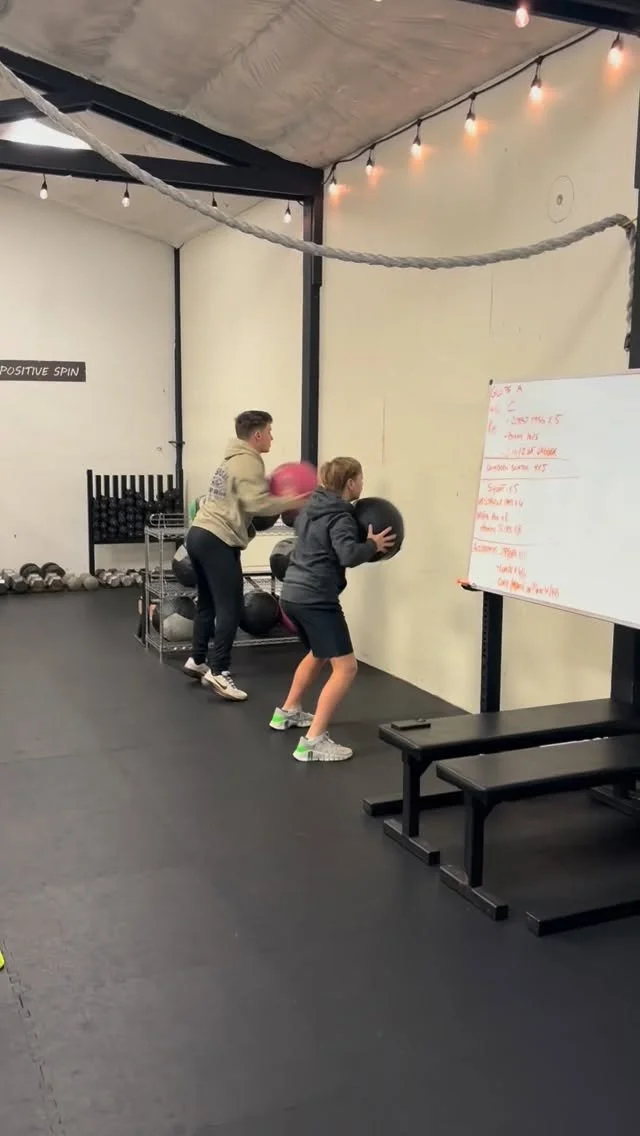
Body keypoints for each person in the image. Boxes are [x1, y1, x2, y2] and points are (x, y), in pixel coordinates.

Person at [269, 457, 396, 761]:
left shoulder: (310, 509)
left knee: (319, 652)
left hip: (292, 593)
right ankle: (312, 742)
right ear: (350, 483)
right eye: (360, 478)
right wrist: (372, 545)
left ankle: (287, 711)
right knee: (346, 668)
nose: (362, 484)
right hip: (316, 599)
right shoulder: (340, 517)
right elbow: (348, 554)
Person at [184, 410, 306, 701]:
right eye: (270, 431)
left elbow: (243, 503)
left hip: (198, 534)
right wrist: (295, 500)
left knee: (208, 604)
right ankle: (219, 670)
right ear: (258, 435)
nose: (272, 437)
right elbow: (257, 504)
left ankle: (198, 659)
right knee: (232, 606)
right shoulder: (249, 461)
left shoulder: (230, 460)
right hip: (216, 539)